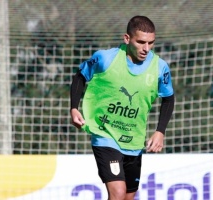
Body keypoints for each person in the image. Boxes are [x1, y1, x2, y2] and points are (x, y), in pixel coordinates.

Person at [70, 15, 175, 200]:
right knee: (117, 193)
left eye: (151, 43)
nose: (146, 48)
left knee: (128, 196)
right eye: (141, 42)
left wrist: (160, 131)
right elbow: (80, 76)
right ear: (127, 39)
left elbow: (168, 98)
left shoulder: (160, 67)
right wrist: (74, 108)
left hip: (133, 140)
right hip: (105, 134)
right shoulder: (105, 58)